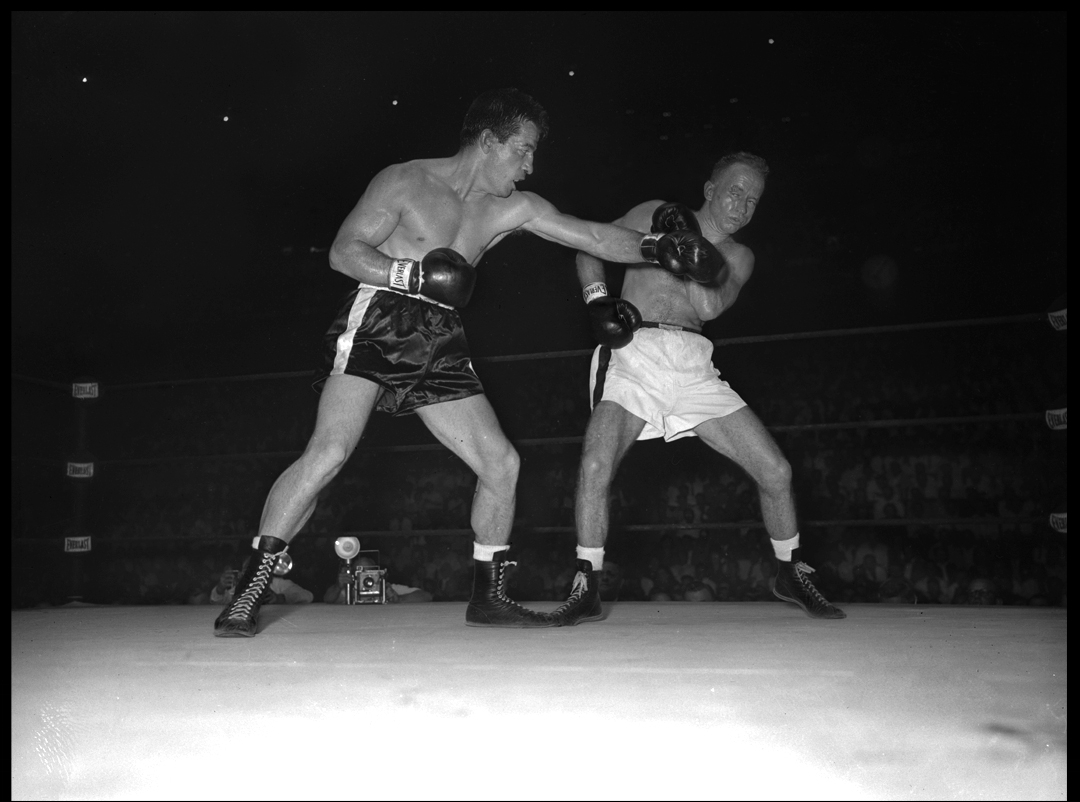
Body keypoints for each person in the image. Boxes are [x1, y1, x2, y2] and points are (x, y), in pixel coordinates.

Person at [214, 88, 722, 637]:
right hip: (382, 316)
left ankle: (489, 596)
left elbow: (593, 235)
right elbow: (345, 251)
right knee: (330, 451)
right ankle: (250, 589)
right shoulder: (405, 181)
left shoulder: (512, 208)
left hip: (441, 335)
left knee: (501, 463)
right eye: (523, 150)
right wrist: (411, 274)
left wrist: (656, 248)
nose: (530, 166)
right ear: (488, 141)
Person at [554, 152, 846, 625]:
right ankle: (587, 581)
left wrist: (689, 249)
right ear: (710, 189)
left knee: (776, 470)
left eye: (752, 200)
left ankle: (790, 571)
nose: (743, 205)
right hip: (636, 350)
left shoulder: (738, 256)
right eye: (735, 191)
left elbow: (709, 308)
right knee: (594, 463)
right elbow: (589, 246)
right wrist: (596, 301)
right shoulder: (652, 212)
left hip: (694, 363)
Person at [323, 556, 434, 604]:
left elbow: (426, 596)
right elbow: (328, 599)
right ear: (353, 575)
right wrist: (338, 586)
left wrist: (399, 599)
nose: (365, 577)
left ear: (378, 574)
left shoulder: (385, 588)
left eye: (368, 573)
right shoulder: (349, 591)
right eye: (360, 573)